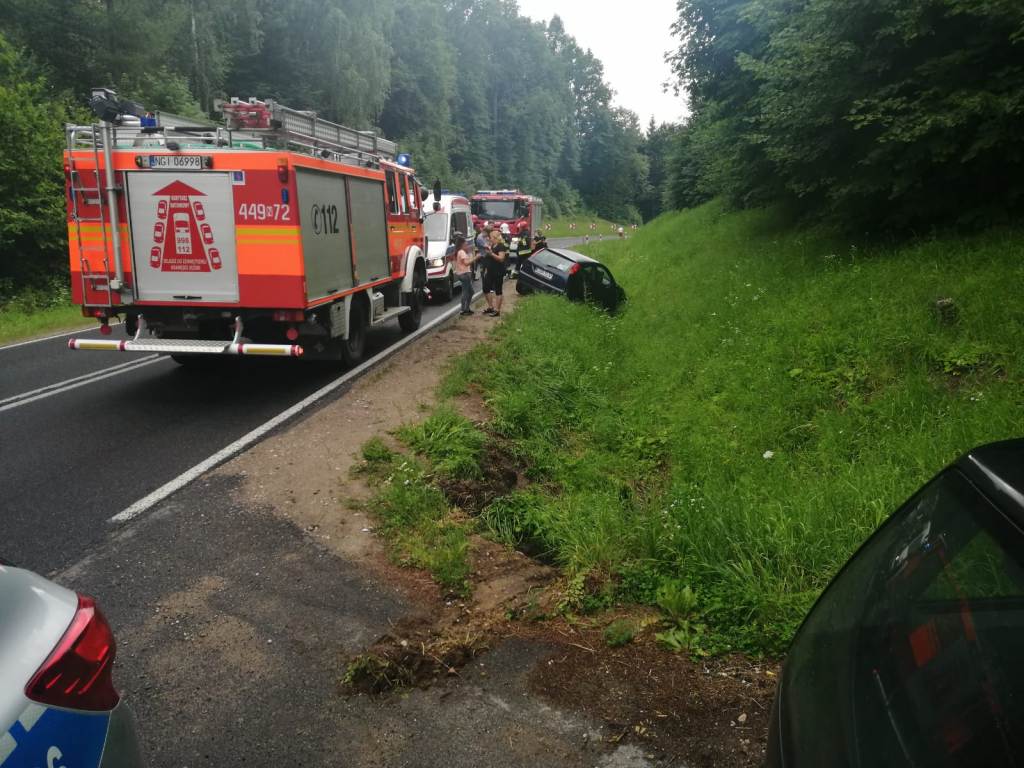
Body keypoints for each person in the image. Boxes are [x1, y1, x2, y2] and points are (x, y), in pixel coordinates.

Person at [451, 235, 478, 315]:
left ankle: (466, 308)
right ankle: (463, 309)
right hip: (464, 274)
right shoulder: (461, 252)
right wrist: (476, 258)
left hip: (463, 274)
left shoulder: (460, 252)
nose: (467, 245)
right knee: (465, 292)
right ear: (462, 244)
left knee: (470, 292)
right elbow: (466, 263)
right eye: (466, 244)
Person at [483, 241, 507, 316]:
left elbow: (501, 258)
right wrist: (486, 269)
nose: (489, 239)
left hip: (498, 271)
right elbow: (488, 259)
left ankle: (497, 310)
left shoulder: (501, 246)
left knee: (498, 290)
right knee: (485, 288)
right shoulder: (491, 246)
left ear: (495, 237)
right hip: (490, 271)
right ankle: (491, 307)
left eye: (490, 237)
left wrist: (492, 254)